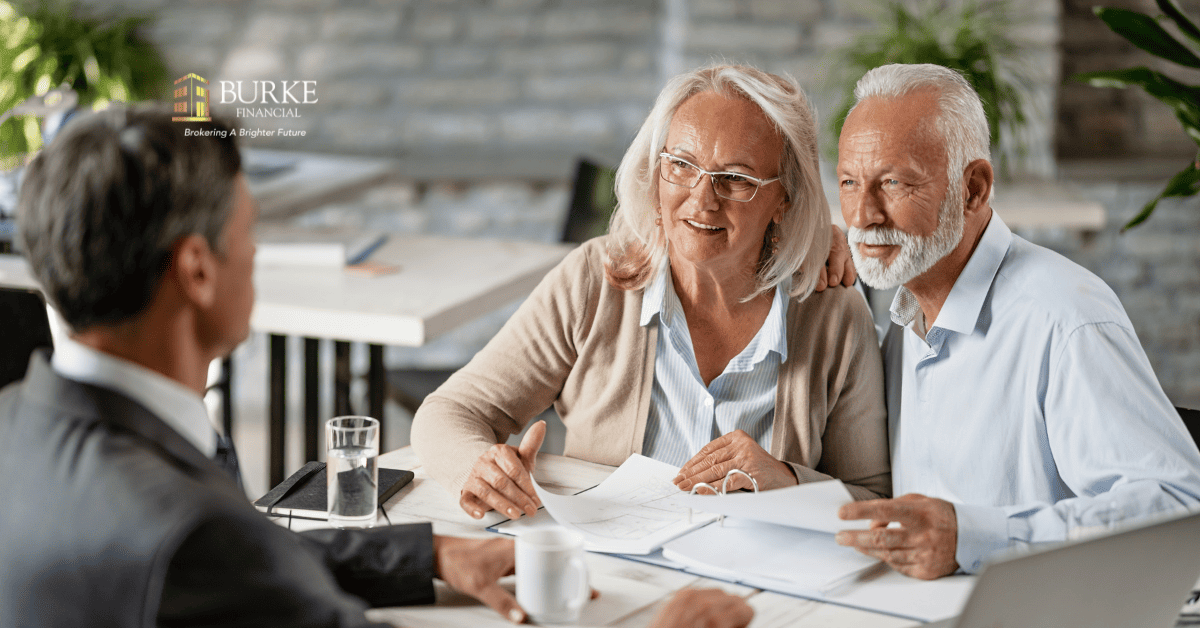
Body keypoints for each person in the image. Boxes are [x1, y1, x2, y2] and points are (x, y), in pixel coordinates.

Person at [0, 105, 753, 628]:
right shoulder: (185, 532)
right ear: (197, 270)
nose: (257, 254)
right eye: (249, 231)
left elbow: (249, 552)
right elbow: (222, 555)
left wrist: (425, 553)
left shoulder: (18, 424)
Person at [411, 63, 889, 522]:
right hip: (610, 572)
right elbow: (451, 411)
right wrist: (479, 467)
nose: (702, 199)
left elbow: (872, 497)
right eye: (681, 165)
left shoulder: (833, 310)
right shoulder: (595, 281)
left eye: (737, 179)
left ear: (784, 196)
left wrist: (787, 480)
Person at [832, 63, 1200, 579]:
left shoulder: (1066, 318)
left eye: (893, 182)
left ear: (974, 188)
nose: (863, 214)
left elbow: (1179, 507)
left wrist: (977, 538)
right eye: (849, 182)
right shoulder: (904, 314)